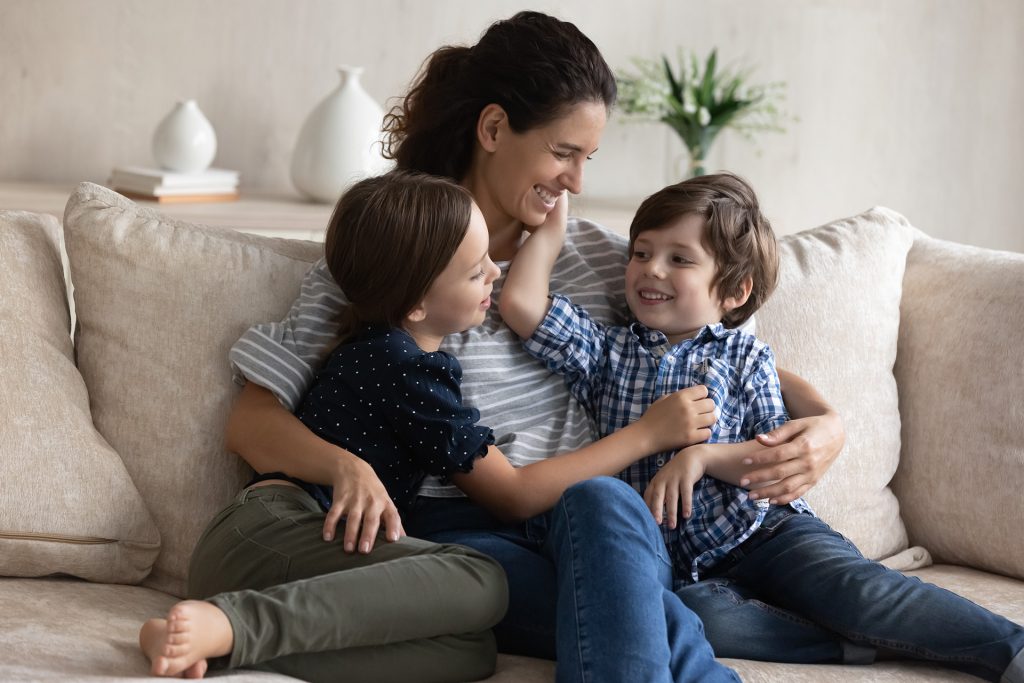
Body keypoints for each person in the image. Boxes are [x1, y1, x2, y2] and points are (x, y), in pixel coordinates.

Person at [224, 11, 846, 683]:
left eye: (589, 158)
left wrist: (830, 423)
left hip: (591, 523)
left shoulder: (607, 262)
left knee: (622, 529)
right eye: (563, 152)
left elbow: (728, 349)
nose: (577, 181)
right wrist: (345, 464)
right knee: (671, 614)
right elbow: (252, 420)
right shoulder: (394, 259)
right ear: (493, 129)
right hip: (467, 523)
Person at [499, 172, 1024, 682]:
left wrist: (701, 457)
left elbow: (773, 458)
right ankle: (847, 645)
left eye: (679, 259)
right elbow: (521, 304)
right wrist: (553, 222)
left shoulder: (745, 357)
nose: (651, 269)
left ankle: (1009, 650)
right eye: (641, 252)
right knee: (704, 617)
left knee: (859, 592)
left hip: (767, 531)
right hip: (688, 569)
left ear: (734, 291)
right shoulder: (606, 354)